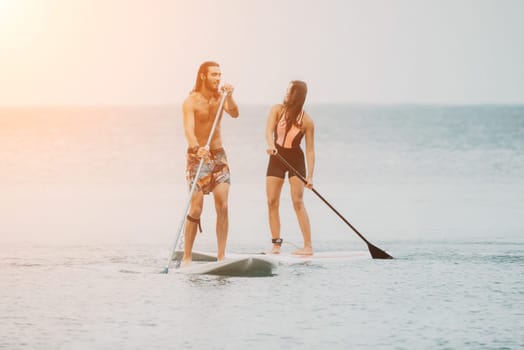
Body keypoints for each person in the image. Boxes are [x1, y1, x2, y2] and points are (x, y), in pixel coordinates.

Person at [182, 61, 239, 264]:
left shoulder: (221, 97)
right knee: (196, 209)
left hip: (218, 156)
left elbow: (234, 113)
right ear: (203, 76)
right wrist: (198, 148)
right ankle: (187, 256)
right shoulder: (191, 101)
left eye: (219, 74)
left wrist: (230, 96)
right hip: (197, 157)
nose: (218, 78)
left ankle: (221, 255)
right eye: (214, 74)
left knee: (222, 205)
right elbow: (189, 130)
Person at [265, 80, 315, 255]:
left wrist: (310, 176)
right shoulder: (277, 110)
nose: (286, 92)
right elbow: (268, 131)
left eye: (289, 89)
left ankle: (308, 246)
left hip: (296, 160)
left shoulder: (307, 121)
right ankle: (276, 245)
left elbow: (309, 151)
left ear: (296, 94)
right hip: (276, 157)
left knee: (297, 201)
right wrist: (271, 145)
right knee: (272, 201)